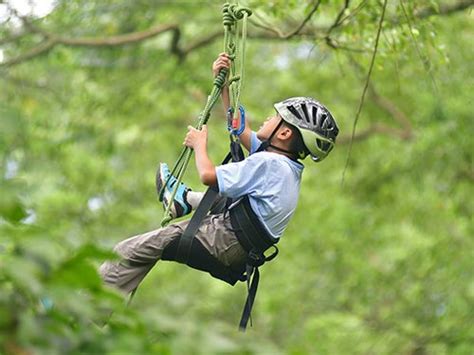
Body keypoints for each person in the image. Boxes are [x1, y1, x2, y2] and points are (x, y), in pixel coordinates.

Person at [99, 53, 339, 325]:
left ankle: (83, 311)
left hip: (221, 240)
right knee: (150, 249)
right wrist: (223, 86)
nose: (267, 119)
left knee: (127, 250)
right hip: (234, 243)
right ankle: (184, 200)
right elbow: (240, 129)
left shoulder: (270, 166)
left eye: (275, 117)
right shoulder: (285, 166)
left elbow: (208, 175)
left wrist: (199, 144)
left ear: (284, 134)